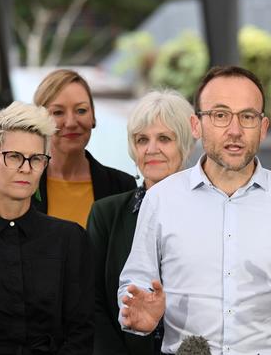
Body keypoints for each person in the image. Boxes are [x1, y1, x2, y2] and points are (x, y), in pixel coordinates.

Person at [117, 66, 271, 355]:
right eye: (220, 115)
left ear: (263, 127)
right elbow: (134, 285)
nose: (234, 130)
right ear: (196, 125)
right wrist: (140, 319)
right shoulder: (160, 199)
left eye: (247, 117)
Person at [0, 101, 94, 354]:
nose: (26, 169)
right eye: (14, 156)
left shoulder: (69, 239)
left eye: (36, 159)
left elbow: (81, 331)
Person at [86, 89, 196, 355]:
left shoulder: (209, 212)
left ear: (185, 145)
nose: (151, 149)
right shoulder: (106, 213)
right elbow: (92, 302)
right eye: (141, 139)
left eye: (164, 139)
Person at [33, 69, 137, 228]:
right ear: (39, 123)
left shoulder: (122, 187)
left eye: (81, 110)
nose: (71, 122)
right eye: (58, 112)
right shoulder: (22, 186)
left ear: (93, 117)